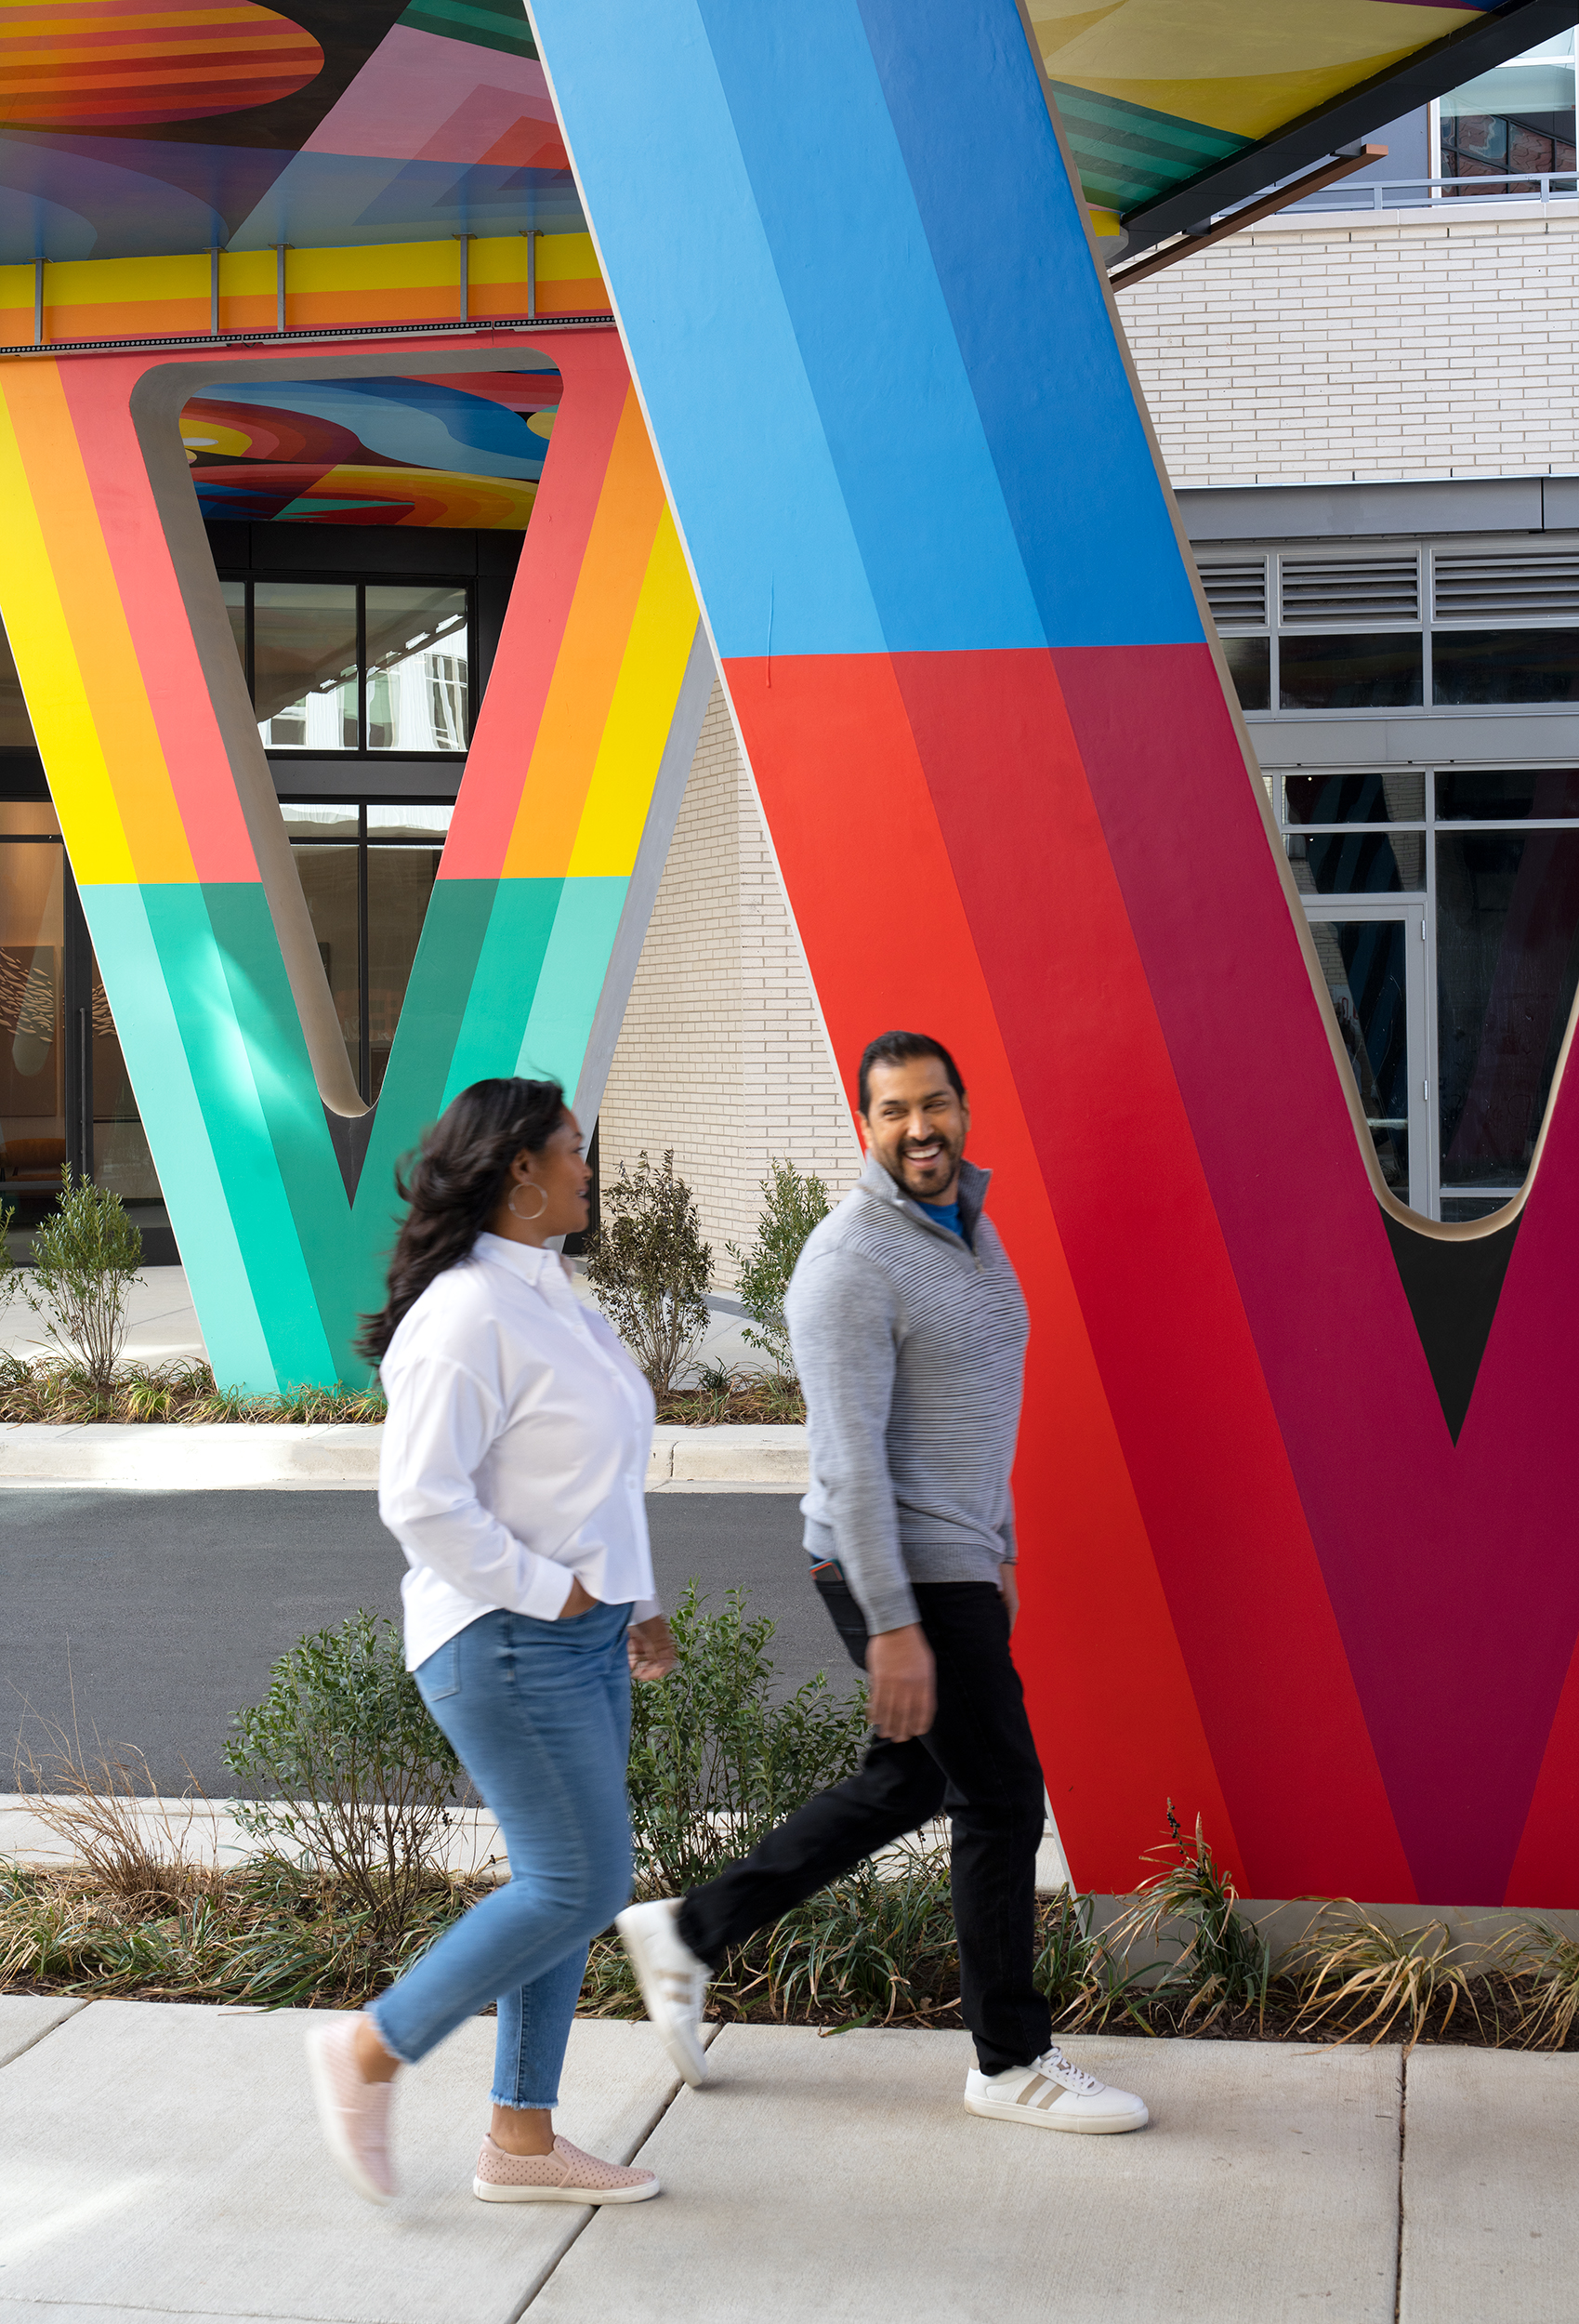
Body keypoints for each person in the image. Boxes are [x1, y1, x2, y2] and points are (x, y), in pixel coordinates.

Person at [618, 1031, 1148, 2135]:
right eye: (896, 1109)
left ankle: (688, 1931)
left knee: (910, 1781)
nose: (921, 1126)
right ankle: (1009, 2061)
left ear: (962, 1107)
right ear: (866, 1125)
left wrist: (997, 1542)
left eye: (937, 1103)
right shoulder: (850, 1258)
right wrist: (898, 1622)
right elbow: (848, 1459)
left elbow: (979, 1409)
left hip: (952, 1556)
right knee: (1000, 1798)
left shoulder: (966, 1228)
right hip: (892, 1561)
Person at [306, 1076, 678, 2208]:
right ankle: (370, 2048)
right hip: (503, 1637)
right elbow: (418, 1500)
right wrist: (546, 1590)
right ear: (521, 1169)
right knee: (582, 1878)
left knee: (559, 1884)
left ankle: (521, 2143)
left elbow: (605, 1470)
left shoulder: (559, 1293)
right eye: (572, 1148)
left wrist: (636, 1597)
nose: (585, 1165)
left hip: (580, 1628)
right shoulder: (465, 1314)